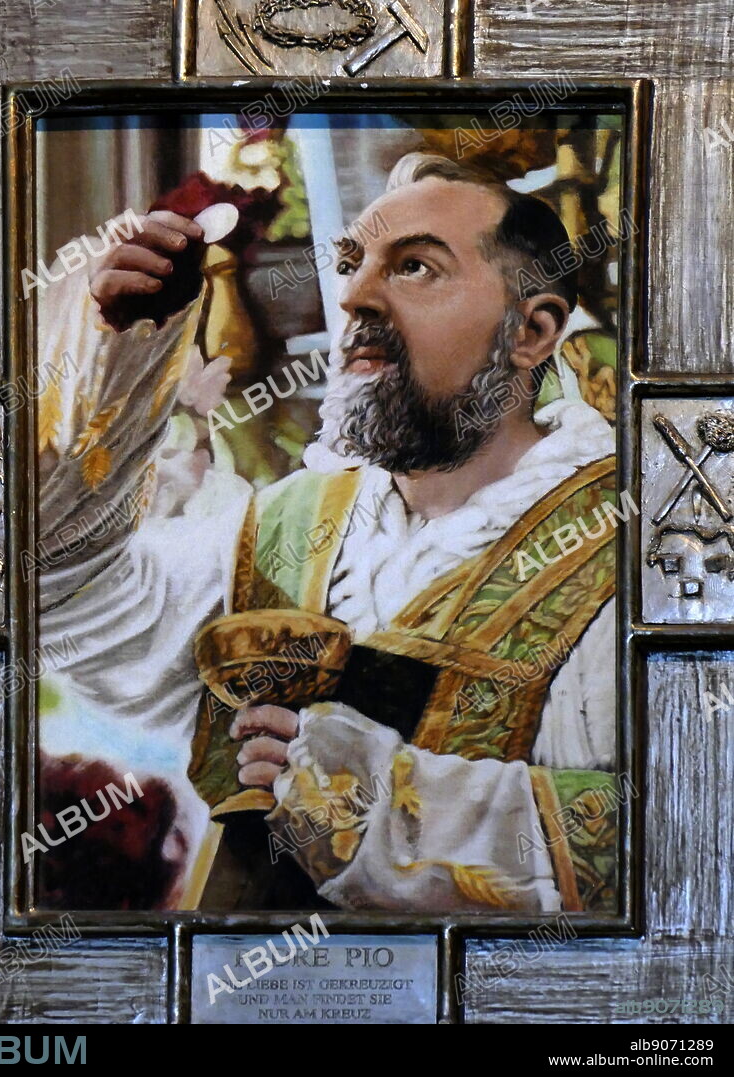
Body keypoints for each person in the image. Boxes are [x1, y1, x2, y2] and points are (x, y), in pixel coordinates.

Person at [37, 152, 619, 914]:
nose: (352, 297)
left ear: (531, 331)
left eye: (413, 267)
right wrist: (132, 354)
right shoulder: (295, 520)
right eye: (351, 264)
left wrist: (373, 795)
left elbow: (674, 837)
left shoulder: (623, 546)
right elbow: (65, 599)